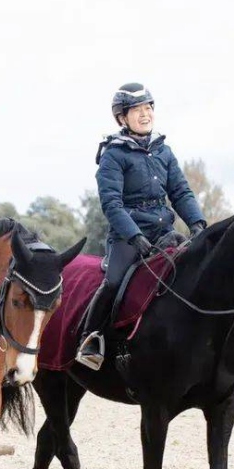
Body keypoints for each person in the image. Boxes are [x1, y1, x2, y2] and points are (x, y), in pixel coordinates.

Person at [76, 83, 207, 370]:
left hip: (165, 231)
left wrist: (197, 224)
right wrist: (133, 236)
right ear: (123, 118)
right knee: (112, 282)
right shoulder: (113, 155)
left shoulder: (164, 152)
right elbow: (112, 204)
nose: (145, 114)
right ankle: (91, 339)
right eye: (137, 110)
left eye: (148, 108)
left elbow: (181, 192)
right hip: (129, 236)